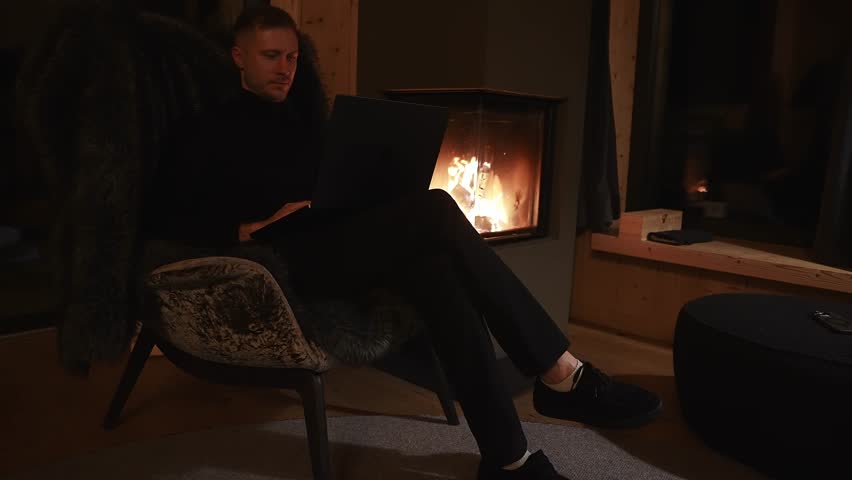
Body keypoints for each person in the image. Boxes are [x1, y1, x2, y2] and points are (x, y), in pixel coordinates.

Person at [145, 6, 662, 479]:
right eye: (271, 56)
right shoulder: (205, 128)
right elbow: (165, 214)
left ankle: (508, 460)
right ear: (239, 56)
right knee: (435, 208)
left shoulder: (304, 125)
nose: (285, 68)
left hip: (329, 239)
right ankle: (560, 373)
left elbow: (330, 189)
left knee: (436, 271)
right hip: (274, 258)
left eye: (293, 58)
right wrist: (246, 228)